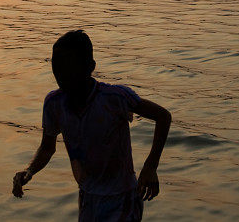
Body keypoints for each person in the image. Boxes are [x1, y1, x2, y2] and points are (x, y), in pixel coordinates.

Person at [12, 30, 172, 221]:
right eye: (57, 68)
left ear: (90, 67)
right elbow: (47, 148)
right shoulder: (54, 104)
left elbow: (163, 117)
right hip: (88, 197)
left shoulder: (114, 98)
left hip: (123, 199)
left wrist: (150, 166)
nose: (61, 76)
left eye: (69, 68)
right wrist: (29, 171)